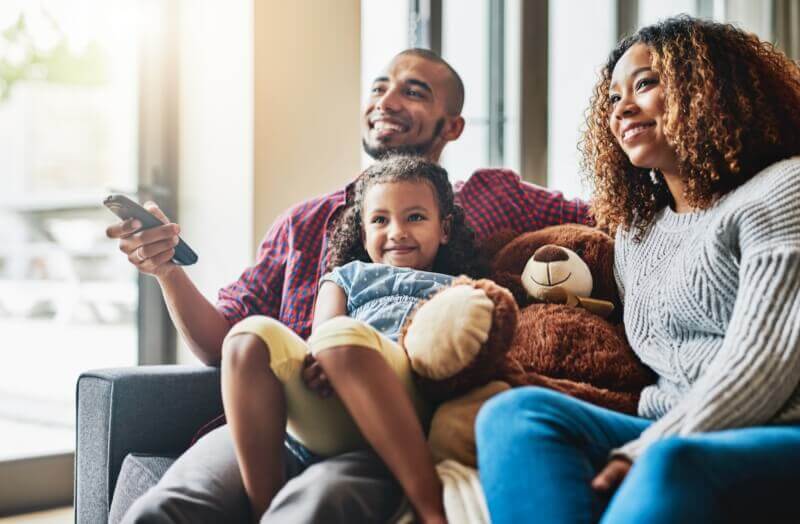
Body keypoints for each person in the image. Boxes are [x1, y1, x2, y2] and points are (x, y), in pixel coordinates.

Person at [110, 48, 591, 523]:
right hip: (279, 420)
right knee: (160, 512)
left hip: (390, 421)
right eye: (379, 87)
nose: (386, 100)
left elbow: (603, 220)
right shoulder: (304, 222)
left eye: (413, 91)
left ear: (452, 126)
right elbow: (221, 342)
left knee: (313, 507)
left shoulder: (492, 198)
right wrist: (168, 270)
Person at [476, 15, 800, 524]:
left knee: (670, 461)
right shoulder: (637, 231)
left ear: (708, 89)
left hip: (777, 425)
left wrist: (646, 448)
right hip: (666, 423)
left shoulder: (784, 188)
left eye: (645, 84)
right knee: (513, 415)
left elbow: (768, 364)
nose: (621, 109)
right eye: (611, 98)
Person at [223, 155, 486, 523]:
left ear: (444, 229)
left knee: (344, 343)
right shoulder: (346, 277)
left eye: (415, 217)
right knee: (245, 340)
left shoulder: (460, 287)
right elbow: (323, 334)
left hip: (406, 395)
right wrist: (317, 360)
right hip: (329, 395)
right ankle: (263, 509)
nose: (396, 232)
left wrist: (336, 348)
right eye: (380, 220)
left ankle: (431, 509)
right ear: (364, 234)